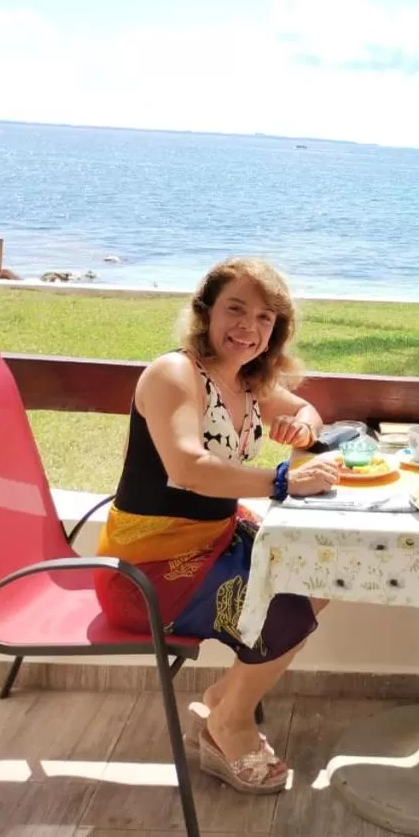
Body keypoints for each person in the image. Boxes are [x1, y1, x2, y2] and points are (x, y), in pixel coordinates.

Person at [96, 257, 338, 794]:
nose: (248, 328)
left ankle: (228, 698)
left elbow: (307, 410)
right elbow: (188, 469)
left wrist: (300, 425)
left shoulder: (248, 381)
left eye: (265, 318)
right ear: (204, 312)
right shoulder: (173, 374)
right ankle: (228, 725)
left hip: (216, 540)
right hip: (149, 571)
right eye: (235, 309)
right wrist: (284, 481)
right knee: (283, 607)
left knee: (329, 568)